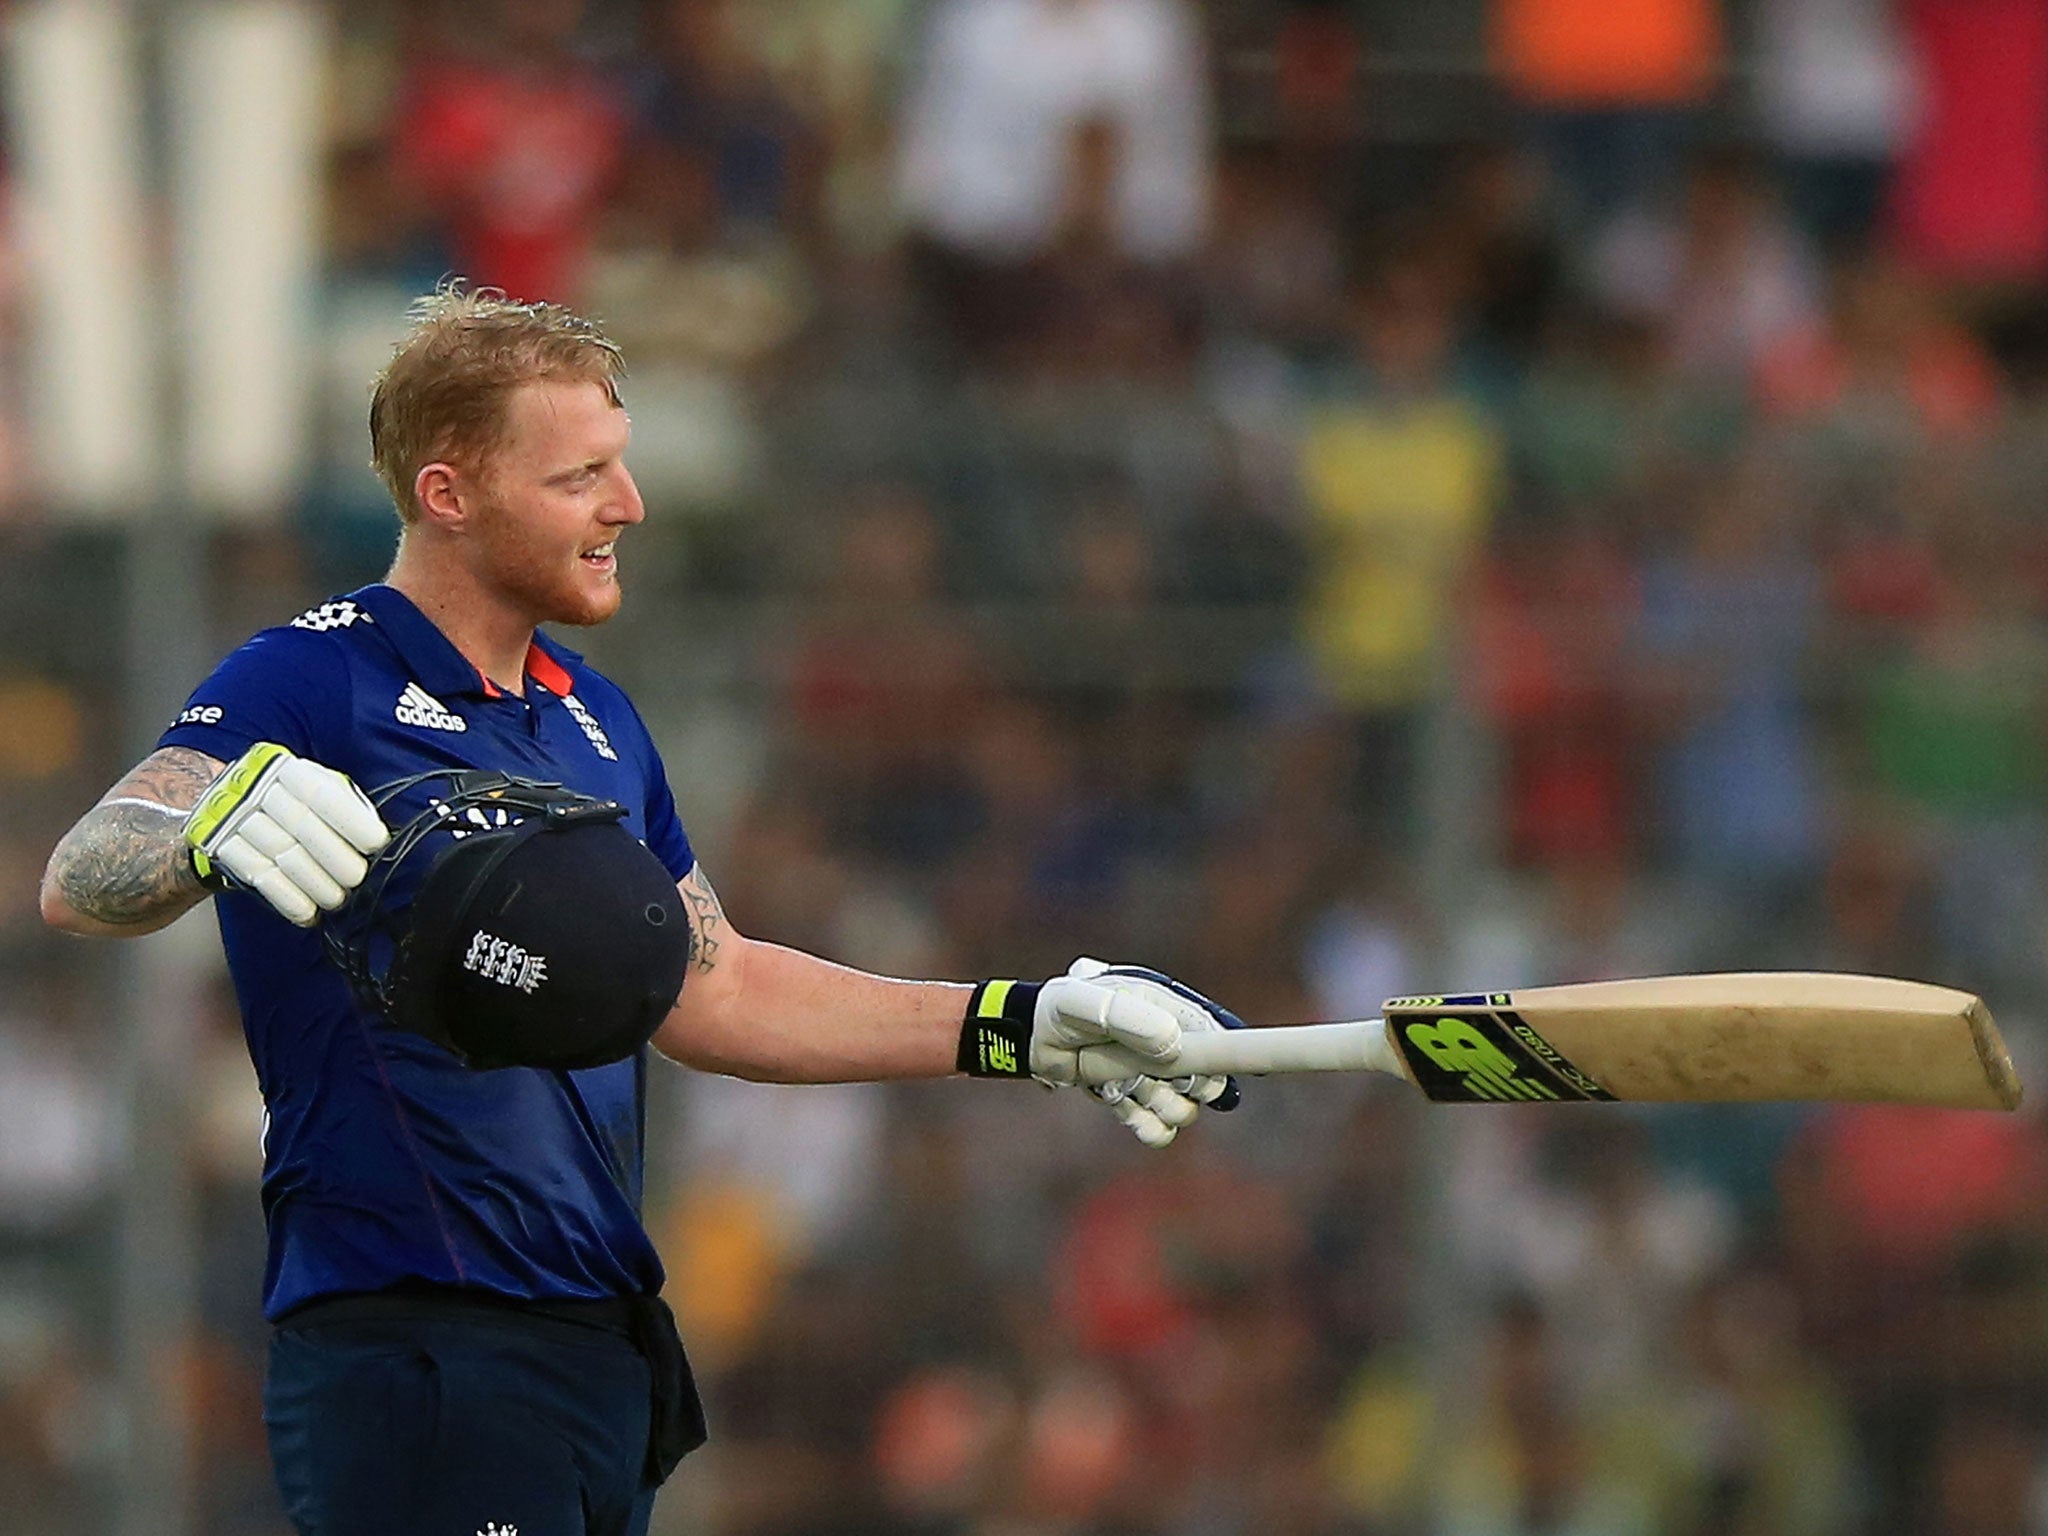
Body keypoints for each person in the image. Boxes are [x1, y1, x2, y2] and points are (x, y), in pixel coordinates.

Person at [37, 286, 1238, 1536]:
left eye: (622, 468)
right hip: (420, 1344)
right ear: (448, 494)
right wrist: (208, 819)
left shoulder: (598, 721)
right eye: (582, 478)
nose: (629, 506)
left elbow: (714, 990)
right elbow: (85, 872)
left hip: (595, 1345)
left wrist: (1018, 1020)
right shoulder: (315, 673)